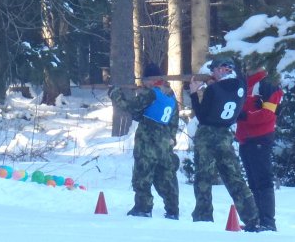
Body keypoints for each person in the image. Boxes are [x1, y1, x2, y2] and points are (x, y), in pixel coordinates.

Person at [189, 58, 261, 232]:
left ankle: (203, 217)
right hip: (226, 135)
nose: (213, 72)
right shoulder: (241, 87)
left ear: (220, 71)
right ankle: (252, 219)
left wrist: (193, 93)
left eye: (215, 70)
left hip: (208, 134)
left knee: (203, 177)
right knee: (234, 178)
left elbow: (203, 116)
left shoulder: (213, 89)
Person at [108, 63, 180, 220]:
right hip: (164, 141)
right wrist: (171, 138)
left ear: (151, 79)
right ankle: (173, 209)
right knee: (165, 177)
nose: (144, 83)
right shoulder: (170, 94)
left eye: (146, 79)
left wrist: (115, 94)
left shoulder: (151, 93)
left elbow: (130, 107)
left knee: (142, 175)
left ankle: (143, 208)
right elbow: (172, 120)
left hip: (147, 140)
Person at [236, 66, 283, 232]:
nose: (248, 65)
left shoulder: (267, 83)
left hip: (260, 138)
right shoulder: (245, 84)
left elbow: (269, 114)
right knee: (253, 182)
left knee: (263, 181)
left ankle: (268, 222)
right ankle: (256, 221)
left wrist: (244, 116)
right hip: (245, 139)